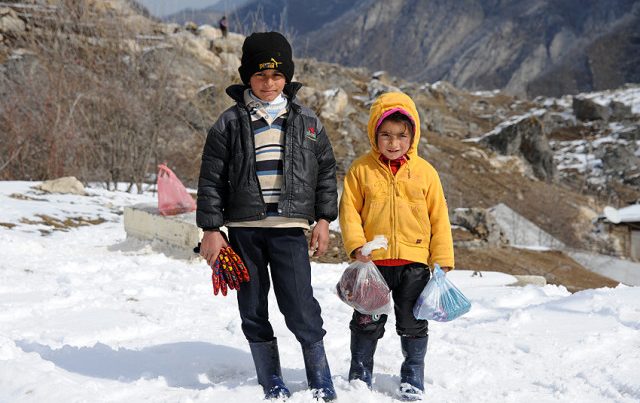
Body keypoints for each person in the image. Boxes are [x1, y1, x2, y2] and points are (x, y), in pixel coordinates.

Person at [196, 31, 338, 401]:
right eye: (260, 75)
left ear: (287, 78)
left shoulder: (308, 122)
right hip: (244, 230)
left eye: (277, 76)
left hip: (290, 229)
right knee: (252, 305)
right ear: (247, 77)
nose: (269, 83)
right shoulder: (229, 122)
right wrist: (211, 229)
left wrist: (324, 220)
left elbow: (326, 173)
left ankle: (320, 375)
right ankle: (270, 378)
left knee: (300, 306)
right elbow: (210, 178)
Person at [339, 92, 455, 401]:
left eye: (401, 136)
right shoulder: (361, 170)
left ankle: (412, 375)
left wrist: (442, 259)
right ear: (374, 135)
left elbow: (439, 218)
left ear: (412, 135)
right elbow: (349, 212)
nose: (393, 143)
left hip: (413, 263)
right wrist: (355, 246)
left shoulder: (425, 173)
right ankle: (360, 373)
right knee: (366, 320)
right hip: (372, 264)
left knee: (412, 321)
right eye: (386, 135)